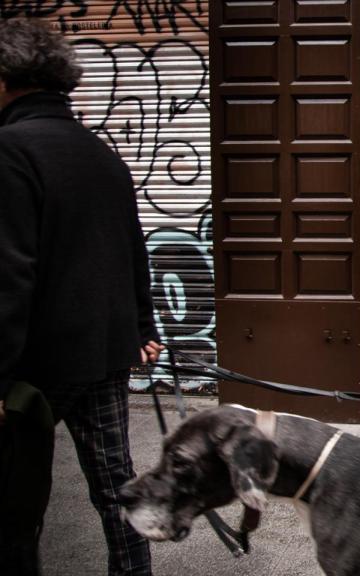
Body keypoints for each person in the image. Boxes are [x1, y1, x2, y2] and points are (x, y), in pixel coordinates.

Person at [0, 19, 163, 576]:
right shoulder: (100, 151)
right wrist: (144, 328)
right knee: (117, 484)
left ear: (6, 79)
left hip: (35, 370)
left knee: (17, 503)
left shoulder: (10, 151)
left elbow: (9, 274)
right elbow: (132, 247)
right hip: (105, 353)